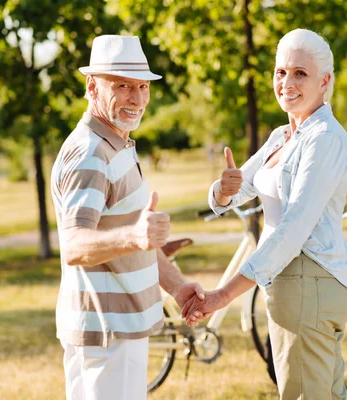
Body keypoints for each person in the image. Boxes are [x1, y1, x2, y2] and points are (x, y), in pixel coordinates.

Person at [182, 29, 347, 399]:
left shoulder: (324, 137)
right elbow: (238, 189)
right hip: (294, 286)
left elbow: (293, 231)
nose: (286, 82)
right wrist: (222, 189)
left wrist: (222, 295)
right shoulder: (282, 136)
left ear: (324, 81)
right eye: (280, 72)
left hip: (309, 282)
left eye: (300, 73)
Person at [50, 35, 205, 400]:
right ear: (92, 87)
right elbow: (74, 244)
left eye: (142, 86)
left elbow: (138, 241)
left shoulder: (115, 143)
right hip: (106, 332)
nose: (136, 98)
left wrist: (179, 288)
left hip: (121, 329)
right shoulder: (90, 153)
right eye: (122, 86)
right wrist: (133, 236)